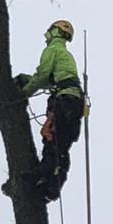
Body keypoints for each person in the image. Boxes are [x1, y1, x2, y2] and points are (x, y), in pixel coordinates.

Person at [22, 19, 85, 199]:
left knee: (53, 140)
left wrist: (24, 92)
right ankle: (51, 188)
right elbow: (51, 80)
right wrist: (27, 79)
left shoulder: (52, 50)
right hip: (73, 101)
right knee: (61, 145)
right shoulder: (64, 54)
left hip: (65, 100)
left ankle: (41, 174)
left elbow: (42, 76)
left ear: (56, 31)